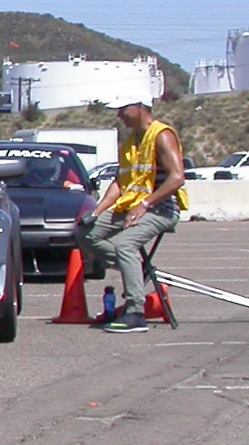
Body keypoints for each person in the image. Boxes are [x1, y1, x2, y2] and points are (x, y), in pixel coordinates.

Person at [80, 98, 188, 332]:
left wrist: (146, 205)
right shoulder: (129, 141)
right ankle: (136, 271)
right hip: (131, 206)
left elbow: (177, 177)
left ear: (139, 108)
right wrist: (97, 211)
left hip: (161, 208)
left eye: (122, 110)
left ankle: (135, 311)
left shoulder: (161, 134)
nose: (119, 116)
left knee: (126, 245)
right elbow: (121, 182)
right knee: (87, 234)